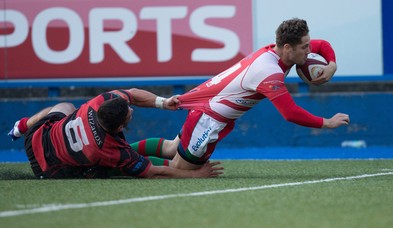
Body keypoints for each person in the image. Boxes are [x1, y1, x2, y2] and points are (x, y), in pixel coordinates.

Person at [130, 18, 350, 170]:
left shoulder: (278, 52)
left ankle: (118, 153)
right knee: (180, 168)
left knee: (170, 148)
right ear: (287, 47)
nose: (310, 50)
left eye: (309, 45)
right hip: (208, 119)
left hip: (209, 112)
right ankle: (114, 162)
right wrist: (327, 122)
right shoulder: (268, 72)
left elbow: (324, 45)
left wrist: (332, 65)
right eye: (305, 47)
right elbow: (290, 113)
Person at [7, 88, 223, 179]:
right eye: (129, 113)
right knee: (108, 169)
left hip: (36, 138)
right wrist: (195, 174)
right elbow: (152, 172)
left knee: (64, 106)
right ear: (119, 128)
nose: (131, 109)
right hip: (49, 169)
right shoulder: (110, 150)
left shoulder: (99, 103)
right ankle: (175, 155)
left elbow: (133, 95)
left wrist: (164, 103)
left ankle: (23, 125)